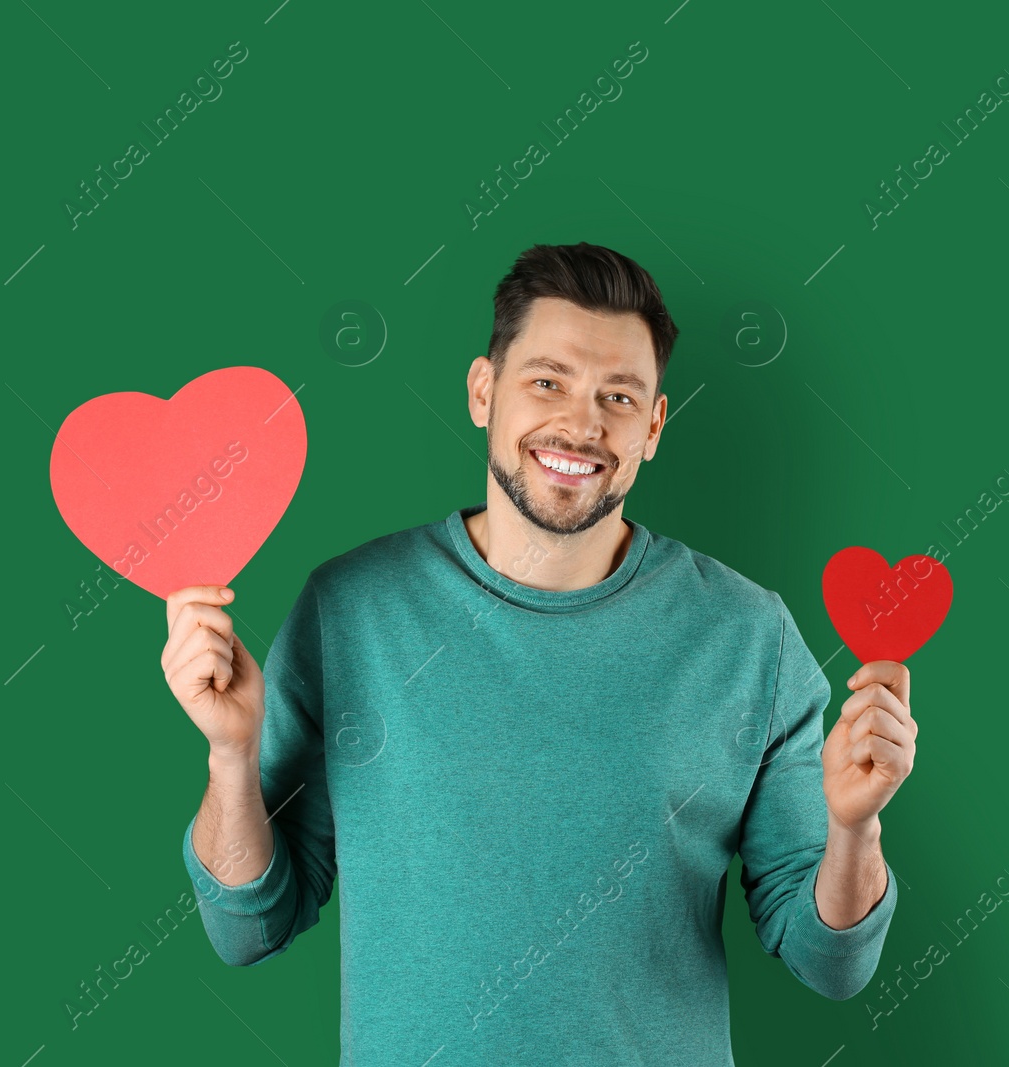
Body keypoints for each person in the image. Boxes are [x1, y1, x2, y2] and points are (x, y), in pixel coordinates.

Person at [163, 242, 918, 1065]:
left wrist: (855, 826)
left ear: (654, 427)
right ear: (484, 391)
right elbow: (248, 929)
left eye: (619, 396)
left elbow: (831, 963)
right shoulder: (348, 611)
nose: (582, 424)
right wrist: (231, 755)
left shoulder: (748, 636)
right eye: (548, 381)